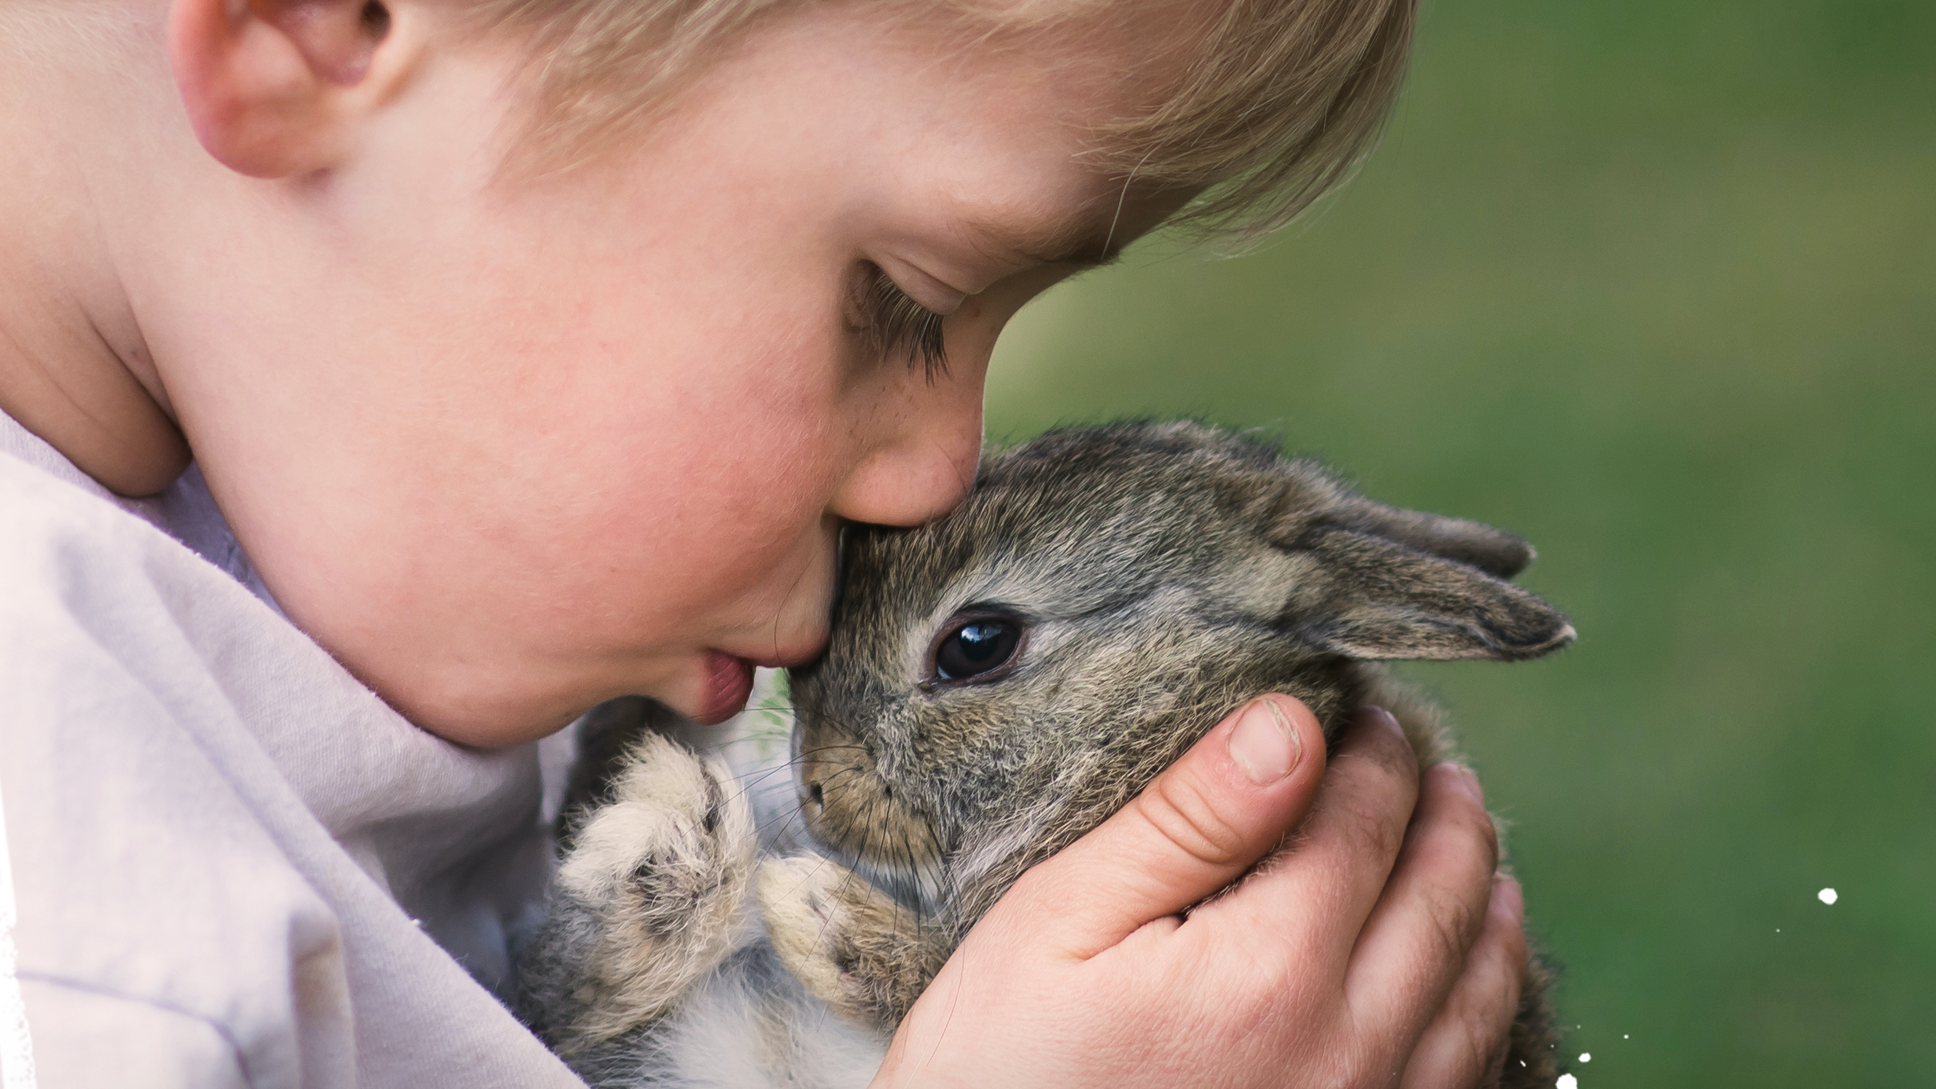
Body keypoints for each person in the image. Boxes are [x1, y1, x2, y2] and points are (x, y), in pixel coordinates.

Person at [0, 0, 1532, 1086]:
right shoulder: (73, 926)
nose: (937, 475)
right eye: (904, 299)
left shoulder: (365, 504)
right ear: (320, 25)